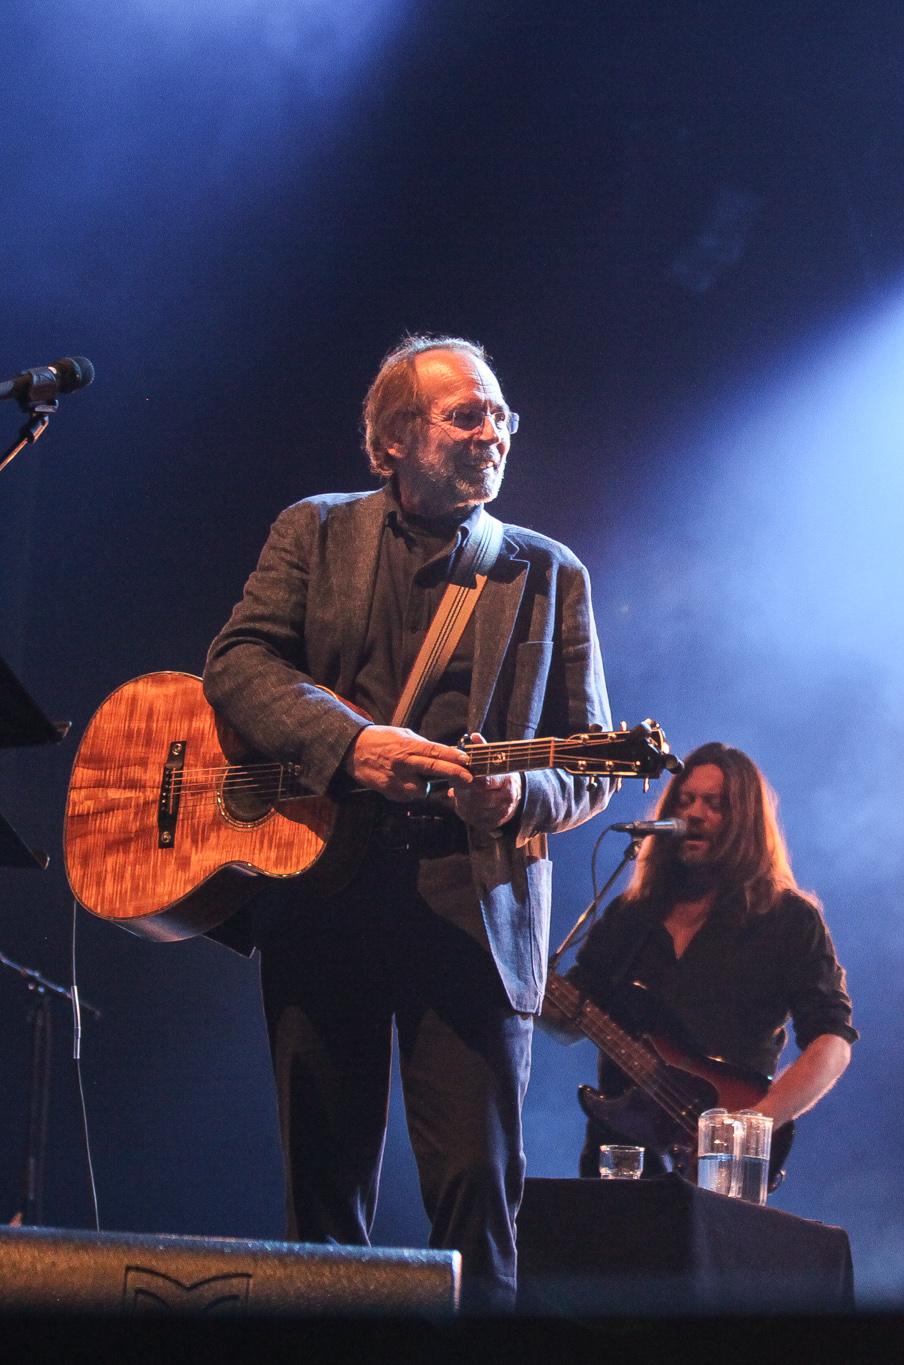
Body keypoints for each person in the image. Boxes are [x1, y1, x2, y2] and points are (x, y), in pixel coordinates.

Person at [203, 335, 613, 1310]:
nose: (493, 432)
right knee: (323, 1200)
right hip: (320, 897)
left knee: (477, 1194)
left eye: (500, 414)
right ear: (393, 440)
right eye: (466, 414)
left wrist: (520, 795)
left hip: (471, 917)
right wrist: (350, 746)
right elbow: (238, 663)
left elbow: (591, 762)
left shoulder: (548, 572)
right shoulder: (313, 531)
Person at [561, 742, 855, 1178]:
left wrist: (754, 1125)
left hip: (720, 1164)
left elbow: (831, 1042)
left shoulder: (788, 919)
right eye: (685, 800)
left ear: (744, 821)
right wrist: (523, 981)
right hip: (620, 1159)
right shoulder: (631, 916)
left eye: (714, 804)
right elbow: (569, 1017)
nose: (694, 813)